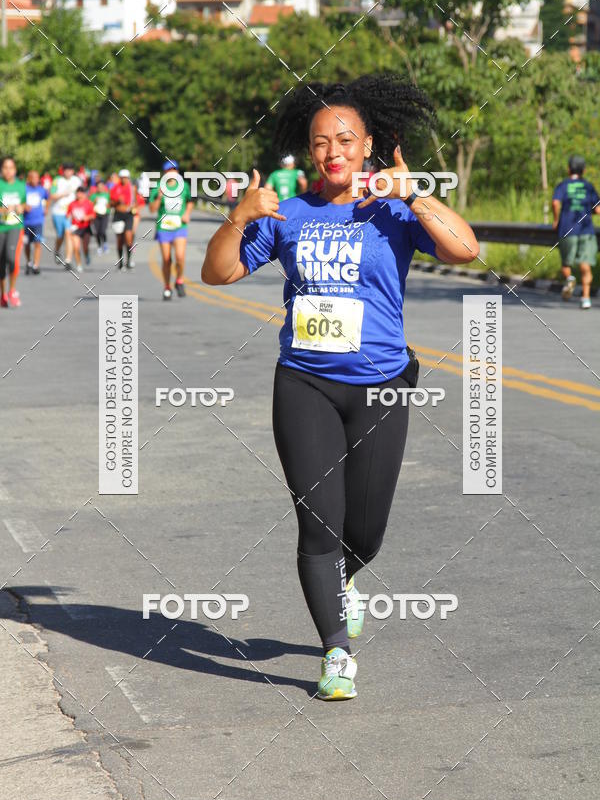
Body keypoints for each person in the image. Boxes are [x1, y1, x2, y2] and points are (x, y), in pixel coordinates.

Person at [202, 74, 479, 700]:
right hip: (305, 384)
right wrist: (238, 217)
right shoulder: (289, 214)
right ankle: (336, 653)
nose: (333, 152)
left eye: (346, 140)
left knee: (367, 532)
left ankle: (344, 580)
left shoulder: (393, 209)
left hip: (381, 386)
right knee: (317, 526)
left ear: (369, 145)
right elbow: (216, 273)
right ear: (309, 150)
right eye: (321, 141)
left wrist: (417, 195)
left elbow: (466, 249)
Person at [552, 154, 600, 310]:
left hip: (567, 229)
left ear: (568, 169)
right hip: (586, 230)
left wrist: (556, 220)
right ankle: (585, 298)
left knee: (566, 263)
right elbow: (598, 209)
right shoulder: (588, 187)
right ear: (584, 170)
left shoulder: (563, 185)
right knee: (585, 265)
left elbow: (555, 203)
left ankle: (570, 278)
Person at [150, 160, 194, 300]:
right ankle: (167, 287)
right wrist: (159, 197)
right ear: (165, 173)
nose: (172, 172)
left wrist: (187, 213)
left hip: (180, 226)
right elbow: (152, 209)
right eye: (169, 170)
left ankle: (179, 280)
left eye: (174, 169)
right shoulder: (158, 187)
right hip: (164, 228)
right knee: (167, 259)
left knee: (180, 257)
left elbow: (190, 202)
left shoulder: (184, 186)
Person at [0, 156, 27, 308]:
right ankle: (2, 294)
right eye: (5, 167)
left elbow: (24, 204)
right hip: (1, 227)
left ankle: (12, 290)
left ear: (15, 170)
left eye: (11, 168)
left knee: (12, 259)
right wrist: (4, 210)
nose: (8, 171)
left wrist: (21, 208)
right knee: (1, 262)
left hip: (15, 227)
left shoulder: (21, 186)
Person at [49, 163, 82, 268]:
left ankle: (68, 260)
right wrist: (63, 194)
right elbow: (52, 195)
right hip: (58, 212)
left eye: (70, 170)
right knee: (60, 235)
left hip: (70, 213)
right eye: (66, 170)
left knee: (69, 233)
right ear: (63, 171)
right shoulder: (57, 180)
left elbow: (81, 194)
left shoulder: (77, 180)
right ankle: (57, 250)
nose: (68, 172)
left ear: (73, 171)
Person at [110, 169, 137, 270]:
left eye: (126, 178)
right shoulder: (115, 188)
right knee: (120, 240)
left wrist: (134, 207)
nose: (124, 180)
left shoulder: (132, 188)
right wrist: (117, 201)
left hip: (128, 215)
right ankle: (120, 262)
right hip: (118, 215)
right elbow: (111, 203)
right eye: (122, 178)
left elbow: (137, 201)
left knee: (129, 238)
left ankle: (128, 261)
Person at [24, 170, 48, 275]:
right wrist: (24, 206)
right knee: (27, 243)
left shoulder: (41, 190)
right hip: (26, 221)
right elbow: (19, 202)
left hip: (38, 221)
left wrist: (46, 208)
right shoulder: (24, 189)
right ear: (29, 178)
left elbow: (48, 197)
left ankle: (36, 265)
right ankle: (29, 262)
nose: (35, 180)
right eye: (33, 177)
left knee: (38, 242)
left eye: (37, 177)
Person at [66, 187, 95, 273]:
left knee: (85, 246)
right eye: (77, 193)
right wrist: (69, 219)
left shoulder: (88, 203)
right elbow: (68, 215)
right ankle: (79, 265)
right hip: (76, 228)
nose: (79, 195)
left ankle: (86, 255)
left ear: (84, 194)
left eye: (81, 193)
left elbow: (93, 215)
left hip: (86, 227)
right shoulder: (72, 204)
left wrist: (87, 217)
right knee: (76, 247)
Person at [90, 180, 110, 254]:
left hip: (105, 214)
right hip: (96, 215)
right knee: (97, 232)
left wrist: (108, 206)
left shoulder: (107, 195)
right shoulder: (93, 196)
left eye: (101, 186)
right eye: (98, 187)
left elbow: (110, 205)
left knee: (103, 231)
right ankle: (99, 246)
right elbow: (89, 206)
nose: (100, 188)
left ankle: (105, 243)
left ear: (104, 187)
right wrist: (94, 201)